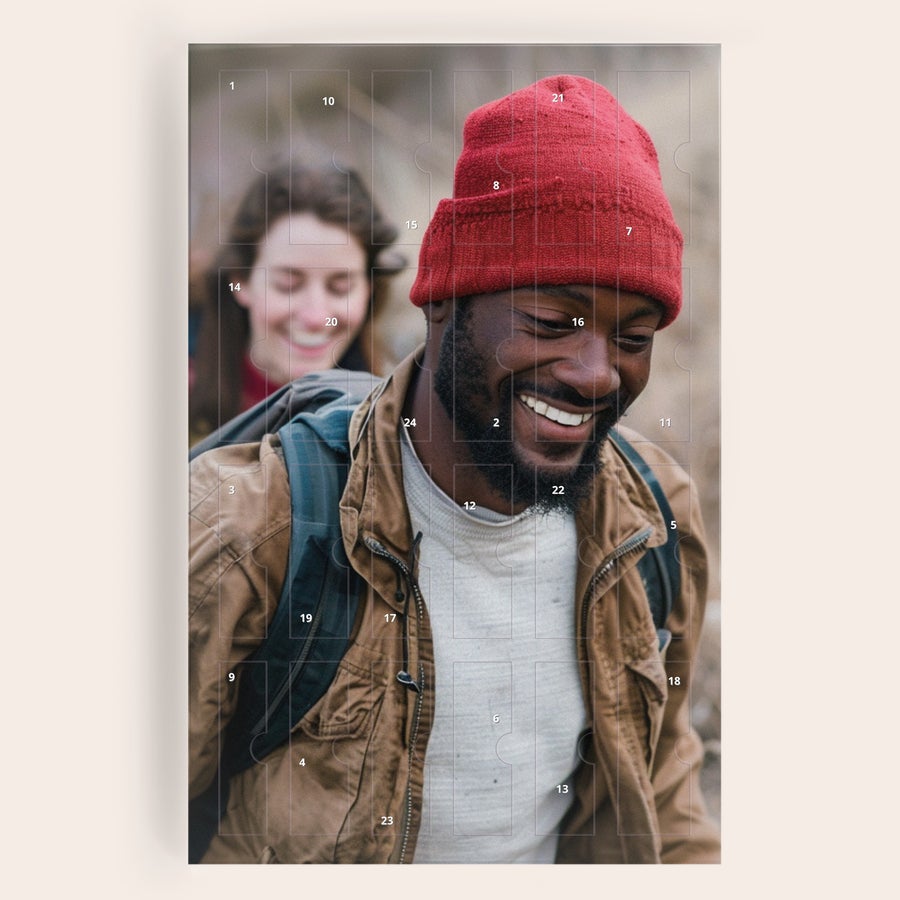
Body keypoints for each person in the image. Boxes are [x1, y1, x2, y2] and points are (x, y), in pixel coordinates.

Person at [189, 74, 721, 864]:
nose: (597, 373)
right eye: (552, 321)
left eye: (634, 337)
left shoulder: (654, 520)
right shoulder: (247, 529)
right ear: (444, 301)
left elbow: (666, 803)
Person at [189, 163, 404, 442]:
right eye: (287, 285)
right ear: (241, 281)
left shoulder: (395, 415)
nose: (315, 316)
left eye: (341, 287)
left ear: (368, 290)